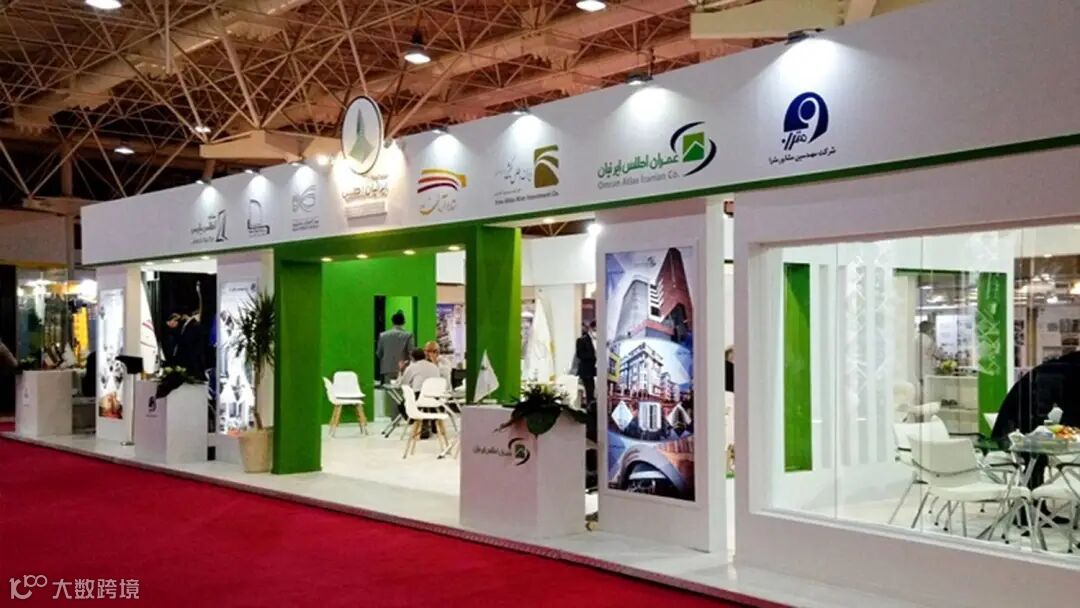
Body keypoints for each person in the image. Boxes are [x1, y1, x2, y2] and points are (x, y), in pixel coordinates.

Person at [376, 311, 415, 384]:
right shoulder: (408, 335)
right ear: (404, 322)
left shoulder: (383, 335)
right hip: (403, 368)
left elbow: (379, 353)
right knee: (402, 389)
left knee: (387, 389)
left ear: (392, 322)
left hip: (387, 369)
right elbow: (411, 352)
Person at [575, 321, 597, 405]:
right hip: (586, 371)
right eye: (595, 330)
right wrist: (593, 355)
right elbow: (580, 355)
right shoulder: (581, 340)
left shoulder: (598, 341)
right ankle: (589, 407)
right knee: (589, 392)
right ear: (590, 329)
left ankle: (591, 406)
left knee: (592, 391)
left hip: (594, 370)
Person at [913, 320, 937, 392]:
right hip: (927, 370)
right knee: (927, 391)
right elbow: (936, 354)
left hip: (916, 370)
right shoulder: (929, 340)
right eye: (932, 329)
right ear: (929, 330)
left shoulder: (914, 338)